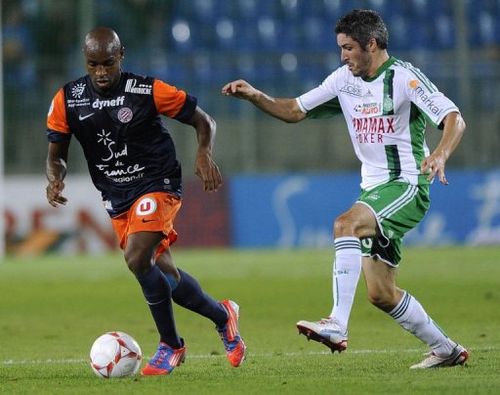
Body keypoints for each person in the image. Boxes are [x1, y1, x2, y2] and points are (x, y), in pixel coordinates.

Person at [222, 9, 467, 369]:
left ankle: (336, 324)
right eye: (341, 48)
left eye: (349, 48)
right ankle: (446, 349)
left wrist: (442, 153)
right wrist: (255, 95)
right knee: (381, 293)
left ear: (371, 44)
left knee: (345, 225)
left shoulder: (403, 77)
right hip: (372, 192)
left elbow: (453, 118)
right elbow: (295, 109)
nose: (343, 56)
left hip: (406, 184)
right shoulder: (343, 80)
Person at [45, 27, 246, 376]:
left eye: (108, 63)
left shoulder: (147, 90)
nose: (102, 72)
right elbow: (56, 153)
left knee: (137, 258)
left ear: (121, 56)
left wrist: (203, 154)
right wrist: (55, 177)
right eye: (94, 64)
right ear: (85, 60)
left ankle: (171, 344)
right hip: (116, 194)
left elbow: (204, 121)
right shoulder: (68, 98)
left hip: (158, 181)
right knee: (164, 274)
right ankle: (222, 316)